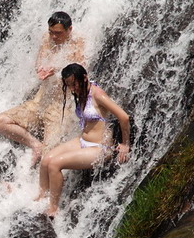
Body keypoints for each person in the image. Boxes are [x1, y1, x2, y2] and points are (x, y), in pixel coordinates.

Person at [36, 63, 131, 217]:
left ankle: (53, 209)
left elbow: (123, 117)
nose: (73, 88)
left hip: (99, 148)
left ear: (85, 78)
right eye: (69, 85)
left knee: (55, 164)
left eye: (75, 84)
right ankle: (41, 196)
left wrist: (125, 144)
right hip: (82, 140)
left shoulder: (98, 95)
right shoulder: (80, 92)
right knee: (46, 159)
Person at [0, 11, 86, 165]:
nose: (54, 37)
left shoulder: (78, 42)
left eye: (58, 33)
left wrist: (56, 69)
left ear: (69, 29)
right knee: (1, 121)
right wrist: (41, 69)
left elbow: (81, 69)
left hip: (59, 109)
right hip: (40, 102)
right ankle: (35, 144)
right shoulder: (47, 38)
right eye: (51, 32)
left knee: (48, 156)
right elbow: (39, 62)